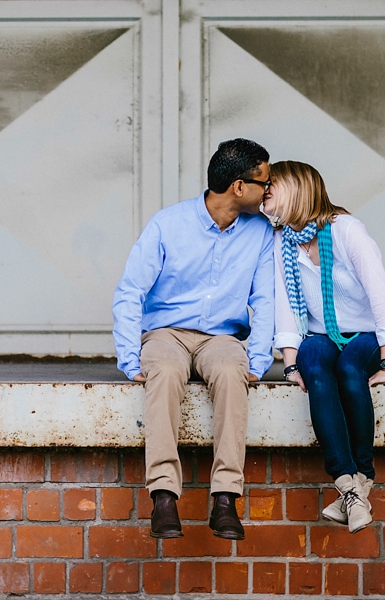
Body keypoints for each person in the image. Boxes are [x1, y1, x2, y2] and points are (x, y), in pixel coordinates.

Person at [112, 139, 275, 540]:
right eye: (263, 183)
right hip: (166, 332)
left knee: (232, 372)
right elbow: (130, 289)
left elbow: (266, 299)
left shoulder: (261, 233)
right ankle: (164, 497)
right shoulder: (168, 224)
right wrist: (130, 358)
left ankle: (225, 499)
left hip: (222, 337)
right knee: (165, 371)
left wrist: (256, 361)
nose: (268, 191)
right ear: (239, 187)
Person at [262, 160, 385, 534]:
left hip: (370, 339)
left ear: (297, 188)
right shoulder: (282, 242)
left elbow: (381, 293)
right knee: (317, 366)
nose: (264, 191)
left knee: (347, 369)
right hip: (322, 337)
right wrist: (291, 363)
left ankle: (364, 475)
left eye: (271, 184)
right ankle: (348, 488)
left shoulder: (346, 231)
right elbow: (285, 307)